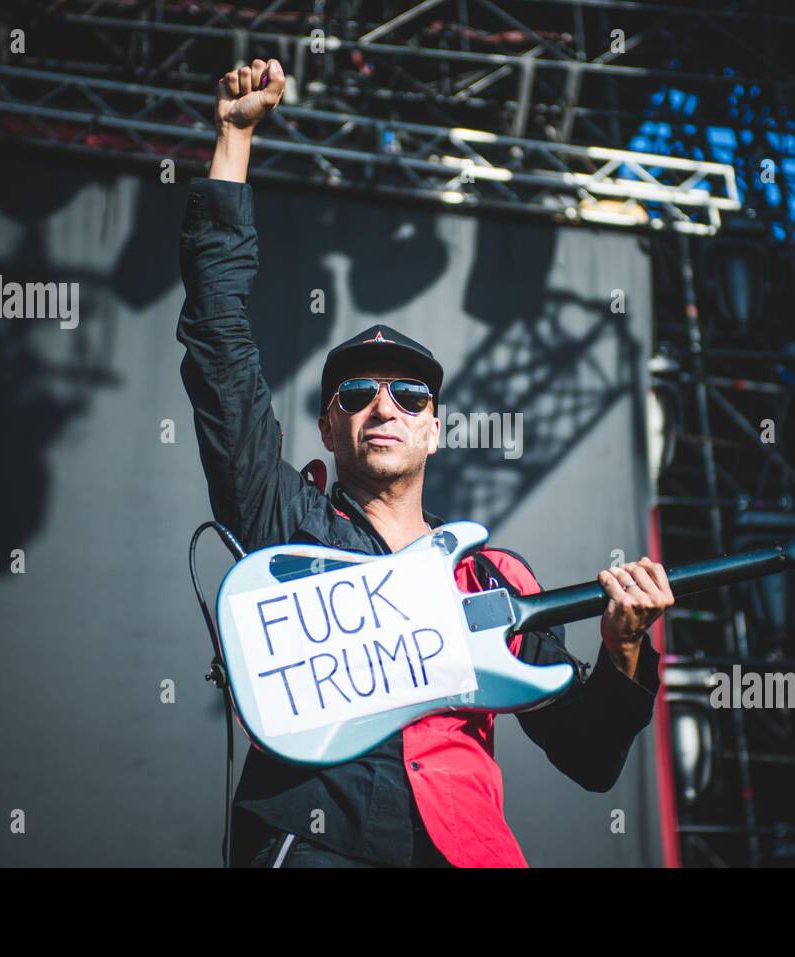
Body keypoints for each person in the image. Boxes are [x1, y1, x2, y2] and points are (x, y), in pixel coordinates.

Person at [176, 58, 675, 868]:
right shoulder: (286, 527)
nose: (385, 406)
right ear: (329, 431)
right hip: (312, 839)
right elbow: (217, 342)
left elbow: (589, 757)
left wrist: (624, 649)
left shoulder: (494, 578)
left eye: (410, 394)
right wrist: (233, 143)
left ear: (435, 431)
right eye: (357, 395)